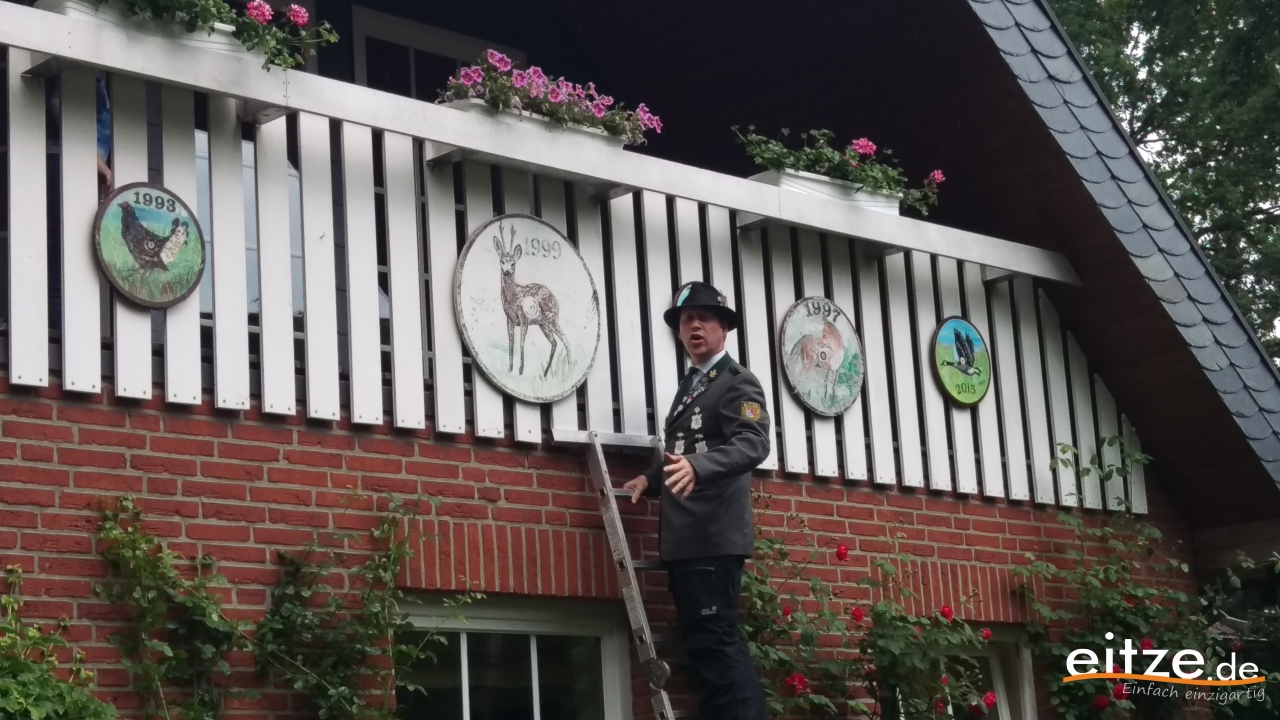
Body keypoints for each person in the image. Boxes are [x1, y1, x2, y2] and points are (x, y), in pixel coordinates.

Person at [622, 280, 770, 720]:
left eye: (704, 318)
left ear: (724, 328)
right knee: (704, 650)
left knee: (717, 645)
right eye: (687, 320)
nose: (694, 326)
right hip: (687, 542)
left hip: (711, 537)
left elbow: (753, 443)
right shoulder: (692, 383)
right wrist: (651, 479)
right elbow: (689, 448)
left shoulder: (738, 382)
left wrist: (697, 468)